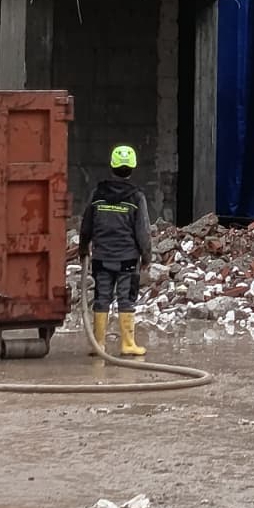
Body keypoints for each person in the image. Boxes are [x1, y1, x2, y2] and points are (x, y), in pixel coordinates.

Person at [79, 145, 152, 358]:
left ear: (112, 166)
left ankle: (98, 344)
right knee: (126, 299)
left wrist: (84, 248)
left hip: (101, 258)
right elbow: (143, 231)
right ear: (132, 168)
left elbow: (87, 225)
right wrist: (147, 256)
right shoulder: (136, 197)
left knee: (101, 297)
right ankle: (128, 344)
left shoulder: (97, 194)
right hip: (127, 259)